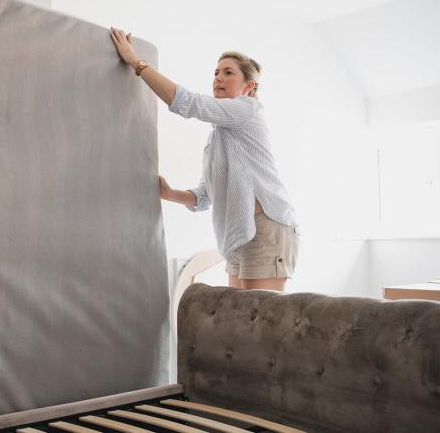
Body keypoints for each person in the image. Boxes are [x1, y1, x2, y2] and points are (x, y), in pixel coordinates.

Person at [109, 27, 299, 291]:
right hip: (237, 235)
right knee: (240, 318)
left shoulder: (248, 109)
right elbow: (203, 197)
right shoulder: (217, 137)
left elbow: (187, 103)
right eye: (216, 72)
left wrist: (136, 62)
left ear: (249, 86)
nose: (218, 78)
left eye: (228, 73)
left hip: (266, 230)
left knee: (261, 322)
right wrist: (168, 193)